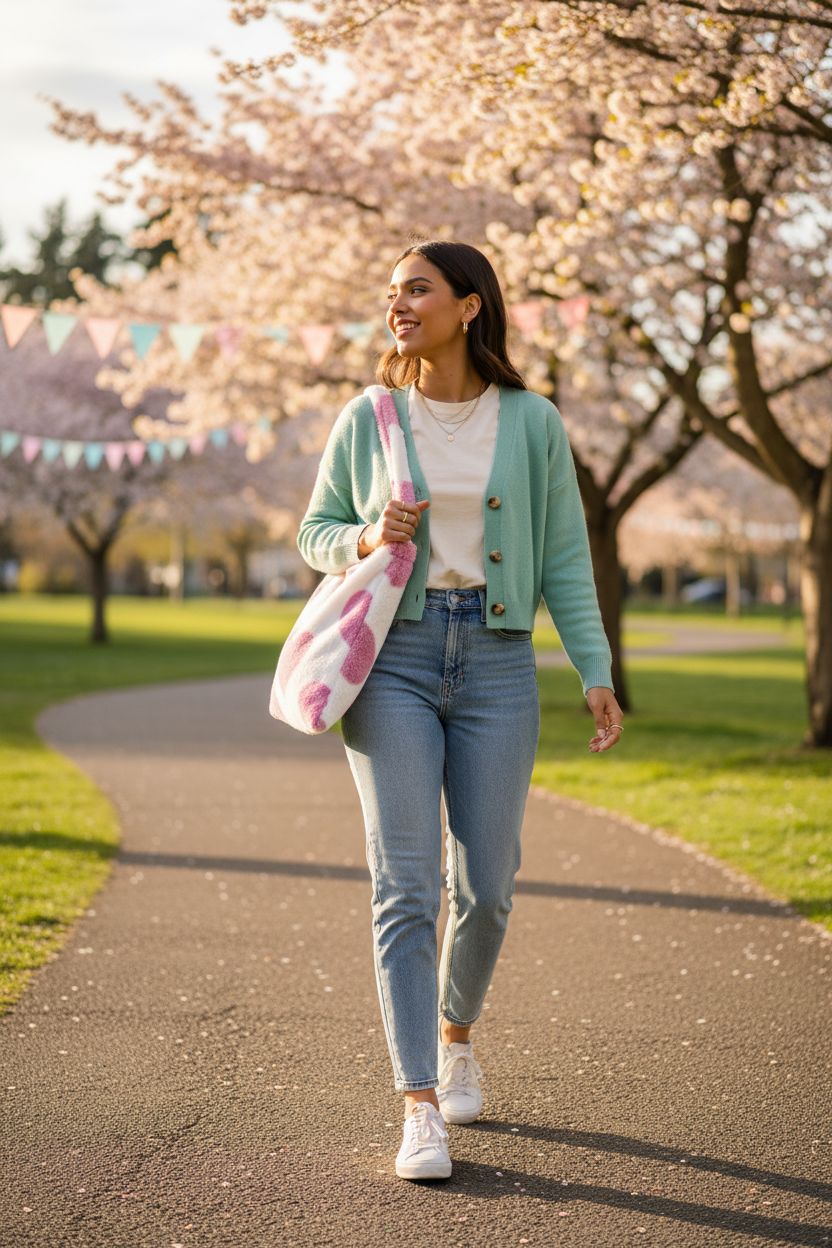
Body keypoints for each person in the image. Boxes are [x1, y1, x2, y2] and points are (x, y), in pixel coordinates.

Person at [296, 240, 623, 1181]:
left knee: (487, 885)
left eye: (418, 289)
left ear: (470, 305)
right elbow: (315, 533)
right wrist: (366, 535)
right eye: (391, 292)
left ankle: (456, 1036)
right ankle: (418, 1105)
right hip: (392, 659)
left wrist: (594, 668)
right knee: (404, 887)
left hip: (497, 662)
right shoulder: (370, 417)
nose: (398, 304)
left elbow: (565, 557)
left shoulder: (533, 420)